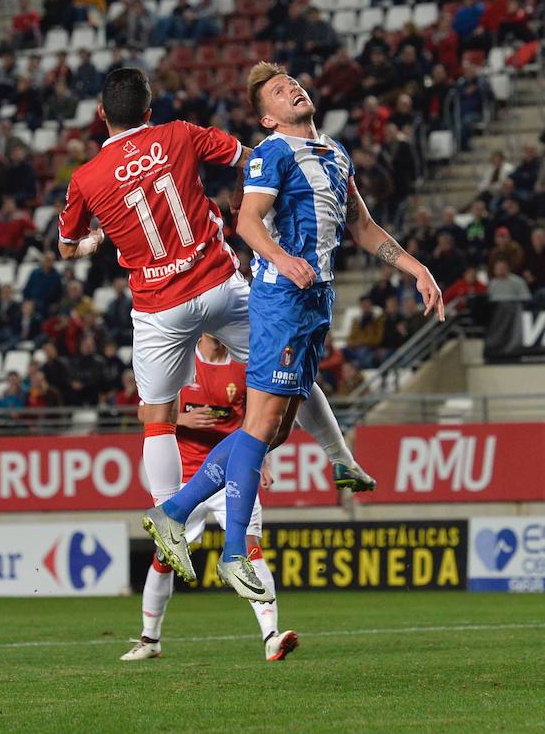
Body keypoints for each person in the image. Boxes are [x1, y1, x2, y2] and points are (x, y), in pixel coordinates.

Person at [59, 68, 376, 581]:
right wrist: (238, 199)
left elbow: (66, 248)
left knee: (157, 418)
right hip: (218, 286)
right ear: (148, 110)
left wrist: (99, 240)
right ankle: (338, 455)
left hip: (159, 307)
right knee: (287, 369)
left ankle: (171, 526)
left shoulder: (85, 179)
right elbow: (252, 161)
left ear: (101, 115)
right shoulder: (181, 134)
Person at [144, 62, 443, 599]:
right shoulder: (270, 154)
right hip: (281, 300)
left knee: (273, 432)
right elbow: (248, 221)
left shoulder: (334, 152)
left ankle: (174, 512)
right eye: (281, 91)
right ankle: (233, 552)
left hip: (315, 303)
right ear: (266, 116)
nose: (294, 90)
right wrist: (282, 260)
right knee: (259, 429)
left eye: (294, 84)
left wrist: (416, 268)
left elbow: (362, 225)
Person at [121, 335, 298, 663]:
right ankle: (150, 639)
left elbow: (258, 421)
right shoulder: (181, 360)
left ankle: (271, 636)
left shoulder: (243, 364)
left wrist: (264, 460)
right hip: (186, 479)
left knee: (249, 547)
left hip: (234, 473)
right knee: (164, 556)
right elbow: (144, 412)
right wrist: (182, 419)